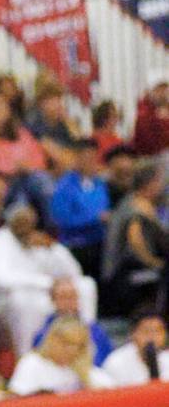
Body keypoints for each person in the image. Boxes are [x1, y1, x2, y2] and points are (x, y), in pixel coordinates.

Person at [0, 205, 95, 355]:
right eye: (21, 221)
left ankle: (86, 340)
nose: (25, 226)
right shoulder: (2, 240)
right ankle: (26, 355)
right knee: (23, 301)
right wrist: (47, 283)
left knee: (86, 285)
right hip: (4, 301)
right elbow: (0, 278)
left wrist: (53, 248)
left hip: (41, 293)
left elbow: (74, 272)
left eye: (29, 222)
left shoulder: (38, 241)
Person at [101, 159, 168, 317]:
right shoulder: (135, 208)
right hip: (124, 273)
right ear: (150, 183)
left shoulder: (143, 202)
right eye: (159, 180)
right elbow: (135, 242)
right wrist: (155, 263)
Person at [50, 138, 110, 280]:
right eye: (86, 158)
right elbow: (61, 219)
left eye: (94, 158)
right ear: (76, 158)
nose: (91, 162)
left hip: (99, 245)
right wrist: (95, 219)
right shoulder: (64, 186)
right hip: (76, 247)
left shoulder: (99, 184)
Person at [8, 316, 112, 395]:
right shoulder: (32, 362)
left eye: (78, 346)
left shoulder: (83, 368)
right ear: (52, 340)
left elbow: (110, 391)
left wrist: (85, 377)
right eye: (66, 343)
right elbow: (18, 397)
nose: (72, 350)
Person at [31, 278, 113, 366]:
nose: (68, 302)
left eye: (72, 297)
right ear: (53, 301)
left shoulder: (95, 331)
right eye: (63, 297)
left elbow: (108, 359)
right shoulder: (44, 335)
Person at [102, 313, 169, 386]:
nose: (152, 337)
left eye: (158, 331)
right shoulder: (115, 362)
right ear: (133, 334)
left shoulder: (166, 358)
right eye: (146, 331)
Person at [133, 75, 168, 156]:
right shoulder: (144, 112)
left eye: (164, 90)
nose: (163, 94)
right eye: (159, 90)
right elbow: (150, 141)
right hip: (150, 155)